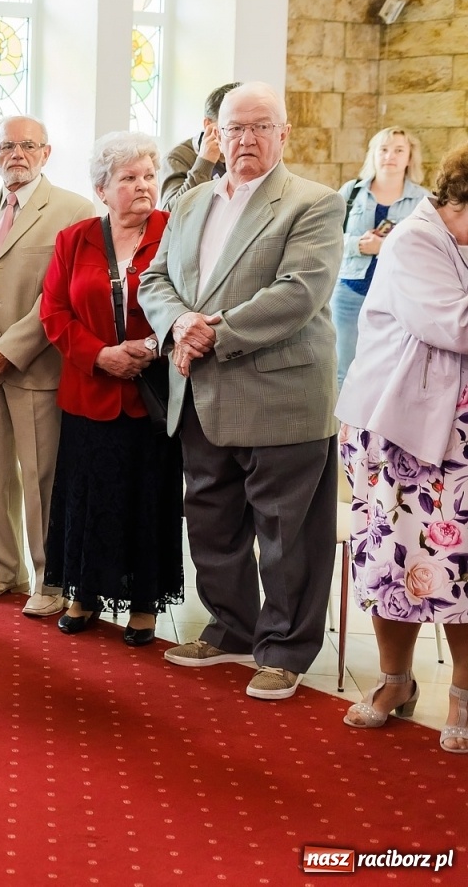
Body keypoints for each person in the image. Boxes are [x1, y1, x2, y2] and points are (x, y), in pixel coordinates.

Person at [141, 82, 344, 700]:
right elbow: (154, 278)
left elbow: (299, 292)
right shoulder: (190, 201)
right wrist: (180, 323)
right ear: (215, 135)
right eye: (234, 128)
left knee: (287, 535)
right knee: (212, 521)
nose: (246, 139)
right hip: (200, 391)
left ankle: (284, 650)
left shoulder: (313, 202)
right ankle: (231, 627)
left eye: (261, 127)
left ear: (284, 134)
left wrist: (212, 333)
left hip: (280, 392)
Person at [334, 144, 468, 752]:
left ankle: (463, 693)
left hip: (459, 433)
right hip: (400, 429)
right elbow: (455, 325)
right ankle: (395, 681)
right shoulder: (415, 239)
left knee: (461, 565)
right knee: (393, 558)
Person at [40, 132, 184, 646]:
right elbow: (54, 312)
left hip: (153, 395)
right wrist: (100, 355)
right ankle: (84, 594)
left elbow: (191, 299)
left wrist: (149, 346)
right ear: (102, 189)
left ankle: (144, 603)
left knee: (146, 500)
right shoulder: (74, 239)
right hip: (89, 393)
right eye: (129, 178)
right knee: (88, 500)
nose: (143, 185)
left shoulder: (175, 231)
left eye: (149, 175)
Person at [0, 116, 94, 617]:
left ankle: (50, 579)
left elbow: (62, 290)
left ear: (46, 153)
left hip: (37, 364)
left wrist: (9, 347)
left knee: (40, 477)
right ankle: (2, 569)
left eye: (28, 145)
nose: (17, 154)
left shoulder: (73, 210)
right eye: (6, 146)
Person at [332, 127, 429, 390]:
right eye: (383, 149)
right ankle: (342, 419)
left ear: (410, 157)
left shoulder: (424, 200)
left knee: (391, 370)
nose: (390, 156)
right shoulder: (351, 192)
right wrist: (358, 245)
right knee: (343, 369)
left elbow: (428, 252)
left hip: (398, 297)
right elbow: (326, 238)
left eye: (398, 150)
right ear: (373, 154)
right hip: (349, 292)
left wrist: (384, 247)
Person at [159, 81, 237, 210]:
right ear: (208, 125)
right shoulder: (177, 158)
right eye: (233, 127)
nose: (242, 137)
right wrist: (204, 163)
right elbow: (170, 214)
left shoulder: (249, 153)